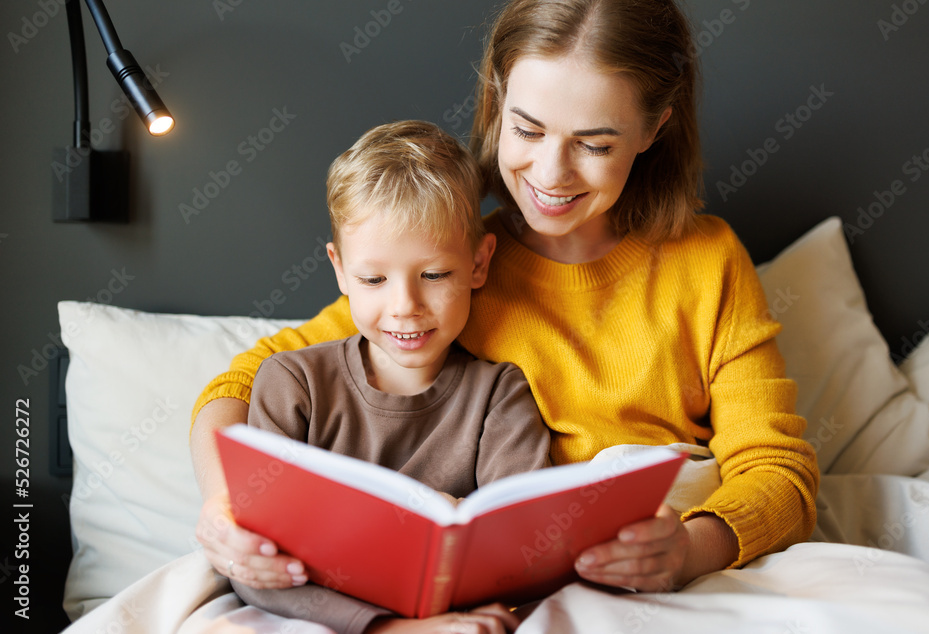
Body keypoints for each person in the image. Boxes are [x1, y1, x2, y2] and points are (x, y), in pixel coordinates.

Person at [191, 0, 819, 609]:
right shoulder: (451, 267)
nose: (551, 173)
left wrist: (687, 550)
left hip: (658, 564)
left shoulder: (707, 260)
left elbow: (777, 471)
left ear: (655, 129)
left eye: (595, 145)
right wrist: (225, 508)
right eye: (527, 129)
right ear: (495, 104)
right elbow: (242, 381)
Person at [229, 119, 551, 633]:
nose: (405, 307)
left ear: (479, 262)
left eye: (435, 275)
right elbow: (255, 565)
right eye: (373, 279)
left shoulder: (499, 393)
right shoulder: (293, 383)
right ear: (340, 270)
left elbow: (523, 543)